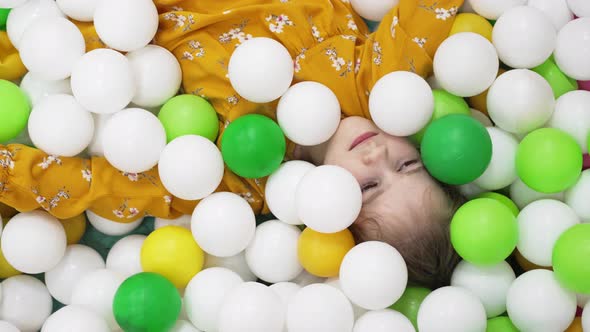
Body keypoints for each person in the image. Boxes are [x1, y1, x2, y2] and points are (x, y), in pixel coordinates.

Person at [0, 0, 464, 288]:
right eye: (408, 165)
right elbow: (427, 13)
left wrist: (10, 171)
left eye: (368, 187)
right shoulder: (379, 83)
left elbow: (112, 187)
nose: (378, 154)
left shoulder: (241, 180)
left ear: (331, 225)